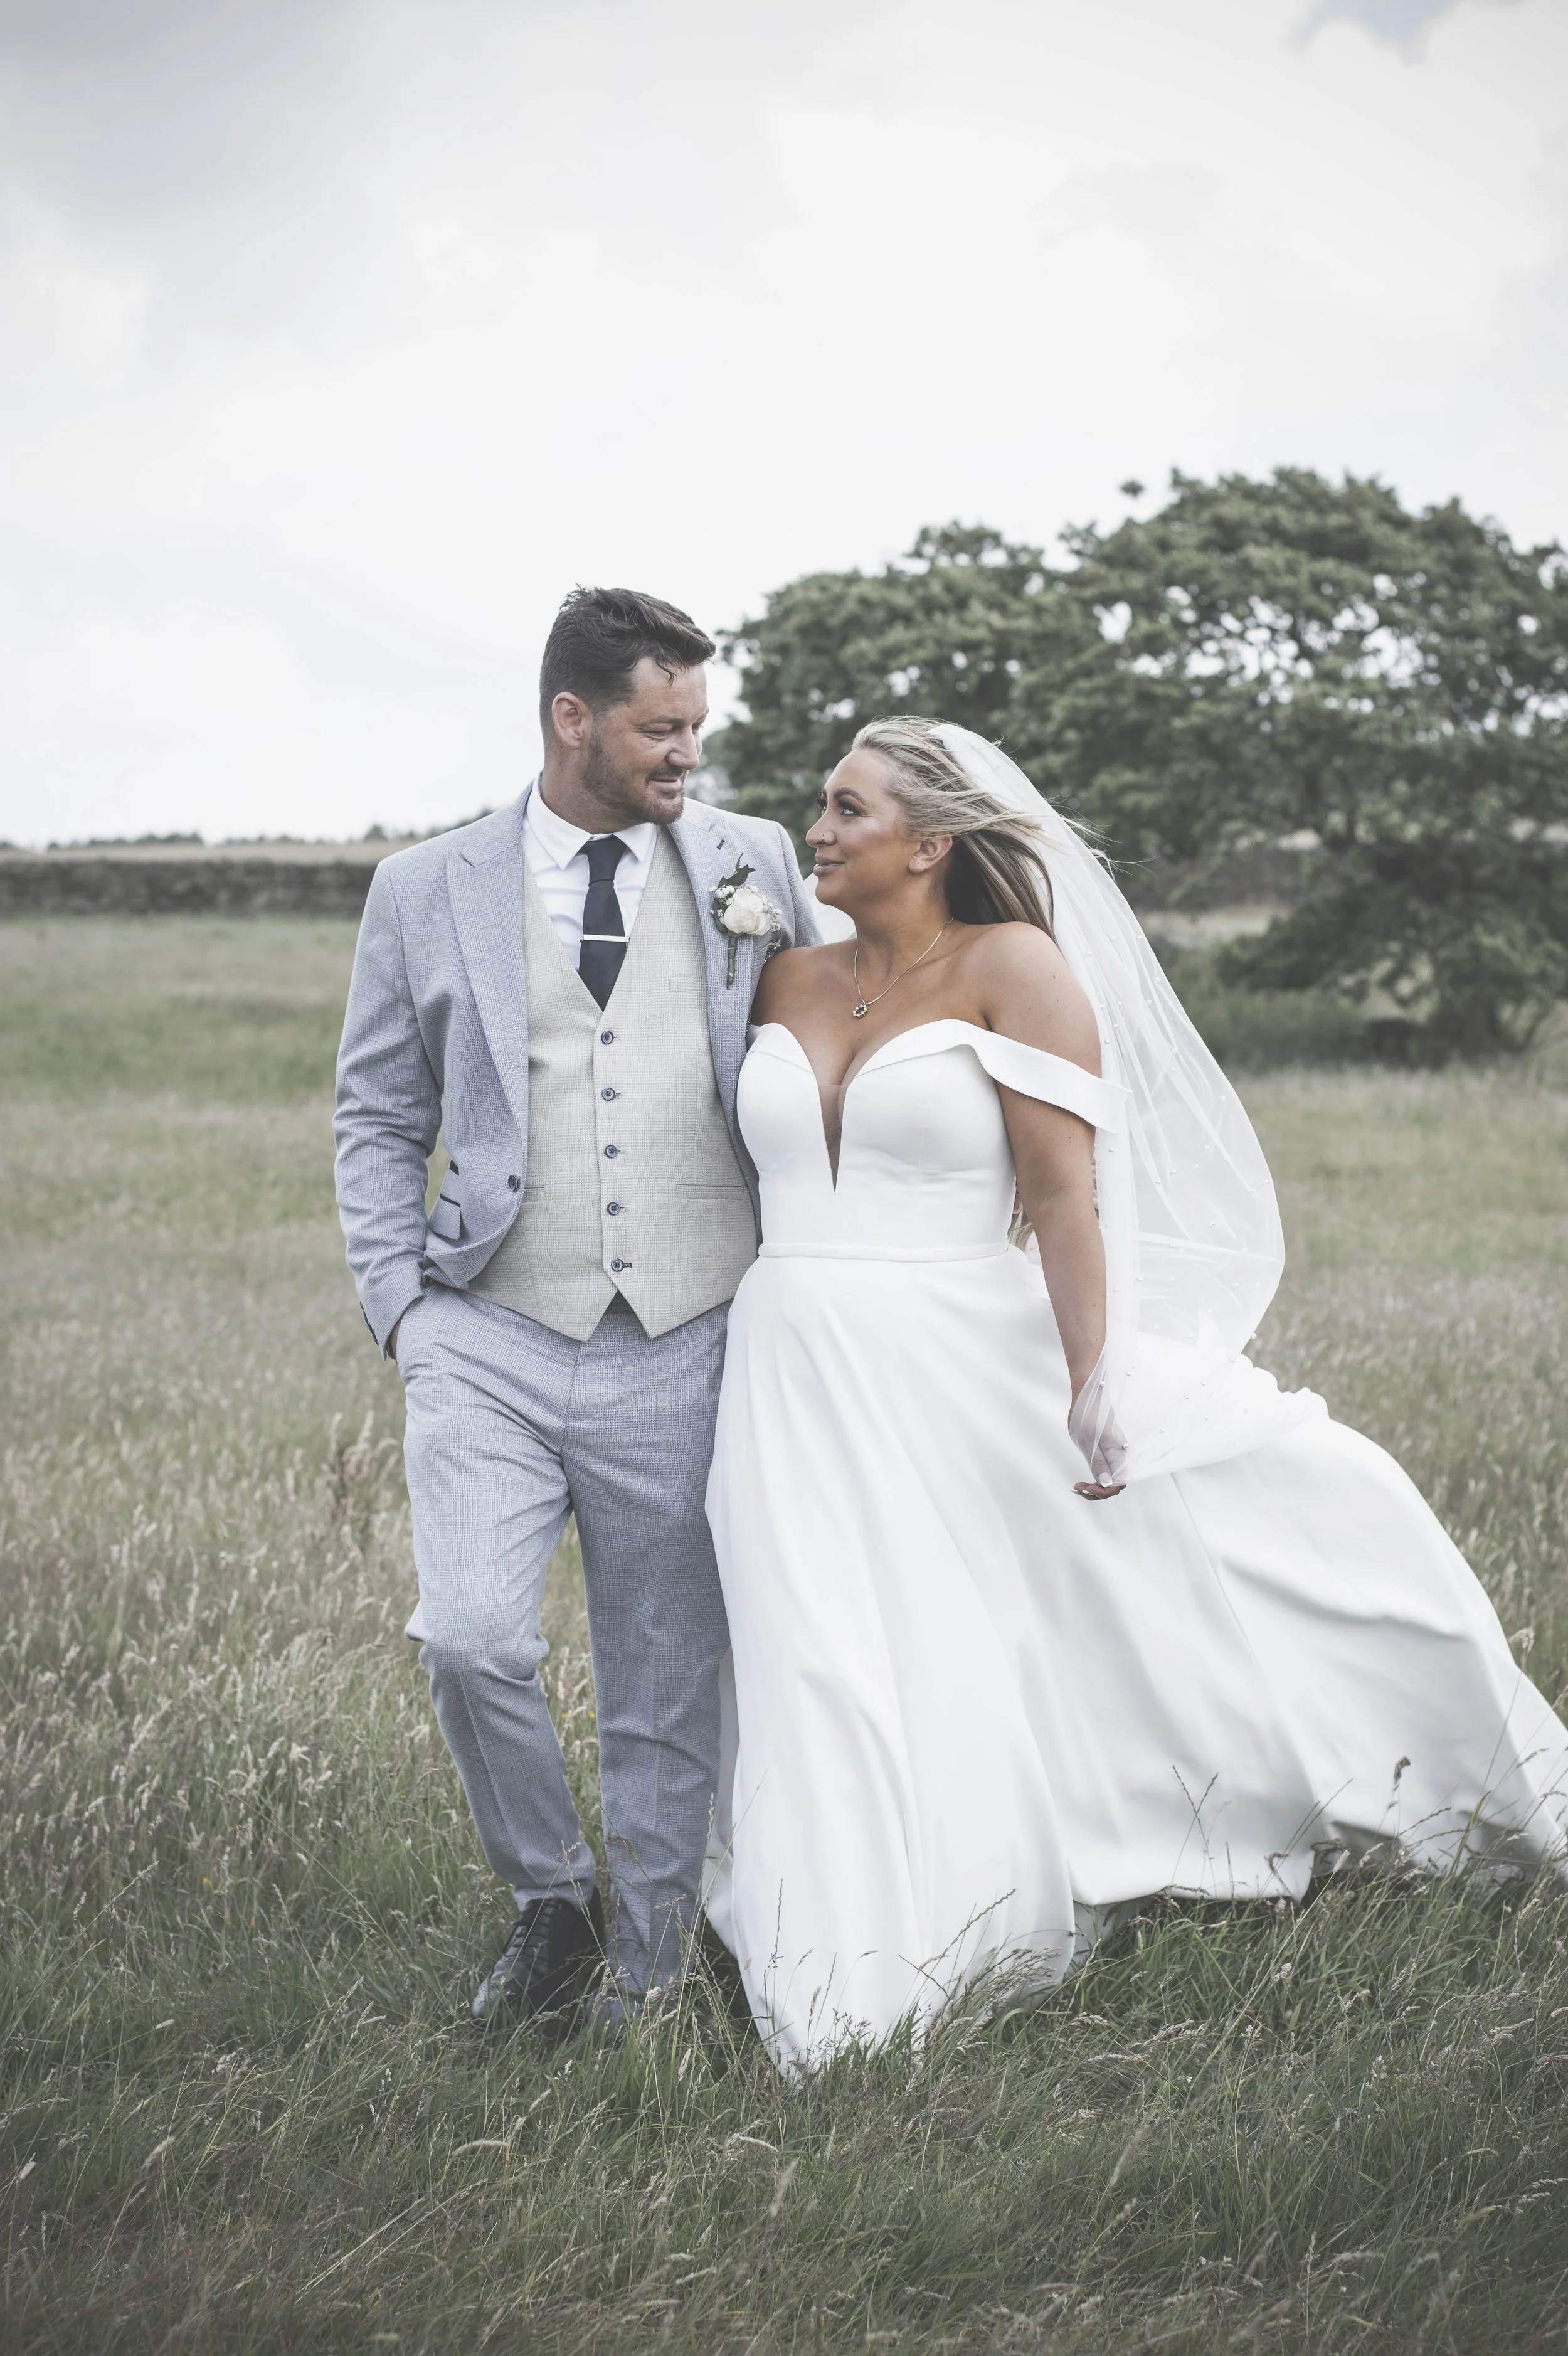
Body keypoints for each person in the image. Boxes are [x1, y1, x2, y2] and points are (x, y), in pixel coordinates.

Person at [702, 716, 1568, 2074]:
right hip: (787, 1368)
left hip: (958, 1355)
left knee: (1249, 1530)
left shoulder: (1015, 968)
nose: (813, 830)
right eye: (823, 808)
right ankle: (836, 1939)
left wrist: (1096, 1377)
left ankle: (1411, 1770)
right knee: (816, 1641)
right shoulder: (781, 979)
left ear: (928, 843)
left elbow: (1062, 1195)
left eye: (844, 808)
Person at [334, 586, 819, 2035]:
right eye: (660, 730)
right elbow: (374, 1110)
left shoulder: (756, 863)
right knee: (470, 1637)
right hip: (482, 1328)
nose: (687, 756)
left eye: (695, 730)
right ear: (572, 718)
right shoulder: (424, 887)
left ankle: (654, 1958)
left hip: (691, 1329)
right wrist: (402, 1313)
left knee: (666, 1673)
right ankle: (550, 1900)